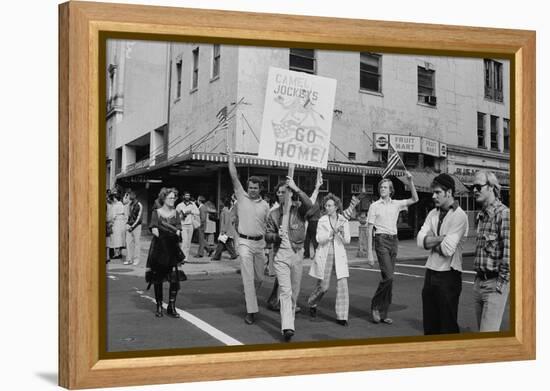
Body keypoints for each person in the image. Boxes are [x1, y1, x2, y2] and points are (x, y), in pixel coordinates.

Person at [416, 174, 469, 335]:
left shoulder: (460, 216)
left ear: (449, 192)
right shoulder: (432, 213)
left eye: (438, 192)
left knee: (447, 327)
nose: (434, 196)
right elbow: (419, 241)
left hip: (449, 275)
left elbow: (448, 249)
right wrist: (441, 238)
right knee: (430, 326)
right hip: (430, 273)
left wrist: (429, 240)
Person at [366, 173, 418, 324]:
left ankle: (384, 313)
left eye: (385, 187)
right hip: (381, 240)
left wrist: (410, 181)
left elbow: (415, 199)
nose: (382, 189)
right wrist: (369, 253)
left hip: (394, 241)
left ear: (390, 190)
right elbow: (369, 230)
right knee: (389, 277)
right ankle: (375, 306)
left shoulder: (396, 204)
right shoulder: (374, 206)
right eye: (381, 187)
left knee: (388, 279)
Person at [265, 177, 313, 342]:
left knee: (294, 292)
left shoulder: (298, 210)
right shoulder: (273, 214)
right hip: (280, 256)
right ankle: (287, 327)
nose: (280, 195)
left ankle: (289, 320)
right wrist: (275, 236)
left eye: (284, 192)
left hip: (297, 253)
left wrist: (297, 188)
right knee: (285, 291)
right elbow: (267, 235)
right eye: (278, 193)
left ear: (290, 194)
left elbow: (312, 208)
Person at [228, 147, 270, 325]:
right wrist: (230, 157)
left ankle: (250, 294)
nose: (252, 190)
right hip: (244, 242)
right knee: (248, 277)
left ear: (260, 189)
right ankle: (251, 311)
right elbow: (233, 175)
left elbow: (269, 226)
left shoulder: (266, 205)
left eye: (255, 188)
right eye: (250, 187)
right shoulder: (241, 197)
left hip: (260, 245)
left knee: (260, 278)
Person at [472, 170, 510, 332]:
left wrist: (499, 287)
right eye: (473, 187)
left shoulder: (504, 214)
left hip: (494, 285)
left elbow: (510, 256)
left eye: (478, 186)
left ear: (491, 188)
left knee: (487, 335)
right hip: (479, 283)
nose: (474, 190)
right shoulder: (481, 216)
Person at [307, 193, 352, 326]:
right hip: (325, 256)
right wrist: (331, 233)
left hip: (339, 257)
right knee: (323, 287)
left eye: (330, 205)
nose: (327, 207)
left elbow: (348, 240)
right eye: (326, 205)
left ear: (336, 206)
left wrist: (341, 232)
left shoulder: (344, 220)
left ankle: (342, 316)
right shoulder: (322, 220)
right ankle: (312, 302)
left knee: (343, 286)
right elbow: (319, 239)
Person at [145, 188, 186, 318]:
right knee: (158, 278)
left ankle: (171, 306)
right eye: (170, 197)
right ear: (164, 198)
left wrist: (175, 232)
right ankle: (159, 306)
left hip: (172, 248)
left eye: (174, 198)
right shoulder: (156, 212)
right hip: (160, 248)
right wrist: (171, 232)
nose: (173, 200)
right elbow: (154, 230)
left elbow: (179, 230)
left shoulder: (176, 213)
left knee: (174, 279)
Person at [176, 191, 200, 260]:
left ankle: (185, 257)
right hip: (183, 225)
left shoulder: (192, 204)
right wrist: (182, 215)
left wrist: (190, 211)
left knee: (189, 242)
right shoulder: (180, 205)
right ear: (183, 196)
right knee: (184, 241)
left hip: (190, 225)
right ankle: (182, 257)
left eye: (188, 195)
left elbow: (198, 212)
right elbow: (176, 215)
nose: (187, 197)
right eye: (186, 195)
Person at [125, 190, 143, 266]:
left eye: (129, 195)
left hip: (136, 226)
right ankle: (129, 259)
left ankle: (136, 259)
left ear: (133, 196)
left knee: (136, 243)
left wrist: (132, 227)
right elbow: (128, 216)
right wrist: (127, 224)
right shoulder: (129, 204)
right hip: (129, 225)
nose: (128, 197)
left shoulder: (139, 205)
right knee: (128, 243)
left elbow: (139, 218)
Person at [108, 192, 127, 259]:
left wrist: (111, 223)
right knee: (121, 238)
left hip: (116, 222)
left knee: (115, 238)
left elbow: (113, 216)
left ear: (115, 198)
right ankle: (120, 253)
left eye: (113, 198)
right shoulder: (122, 205)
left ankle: (116, 254)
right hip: (122, 222)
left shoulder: (115, 206)